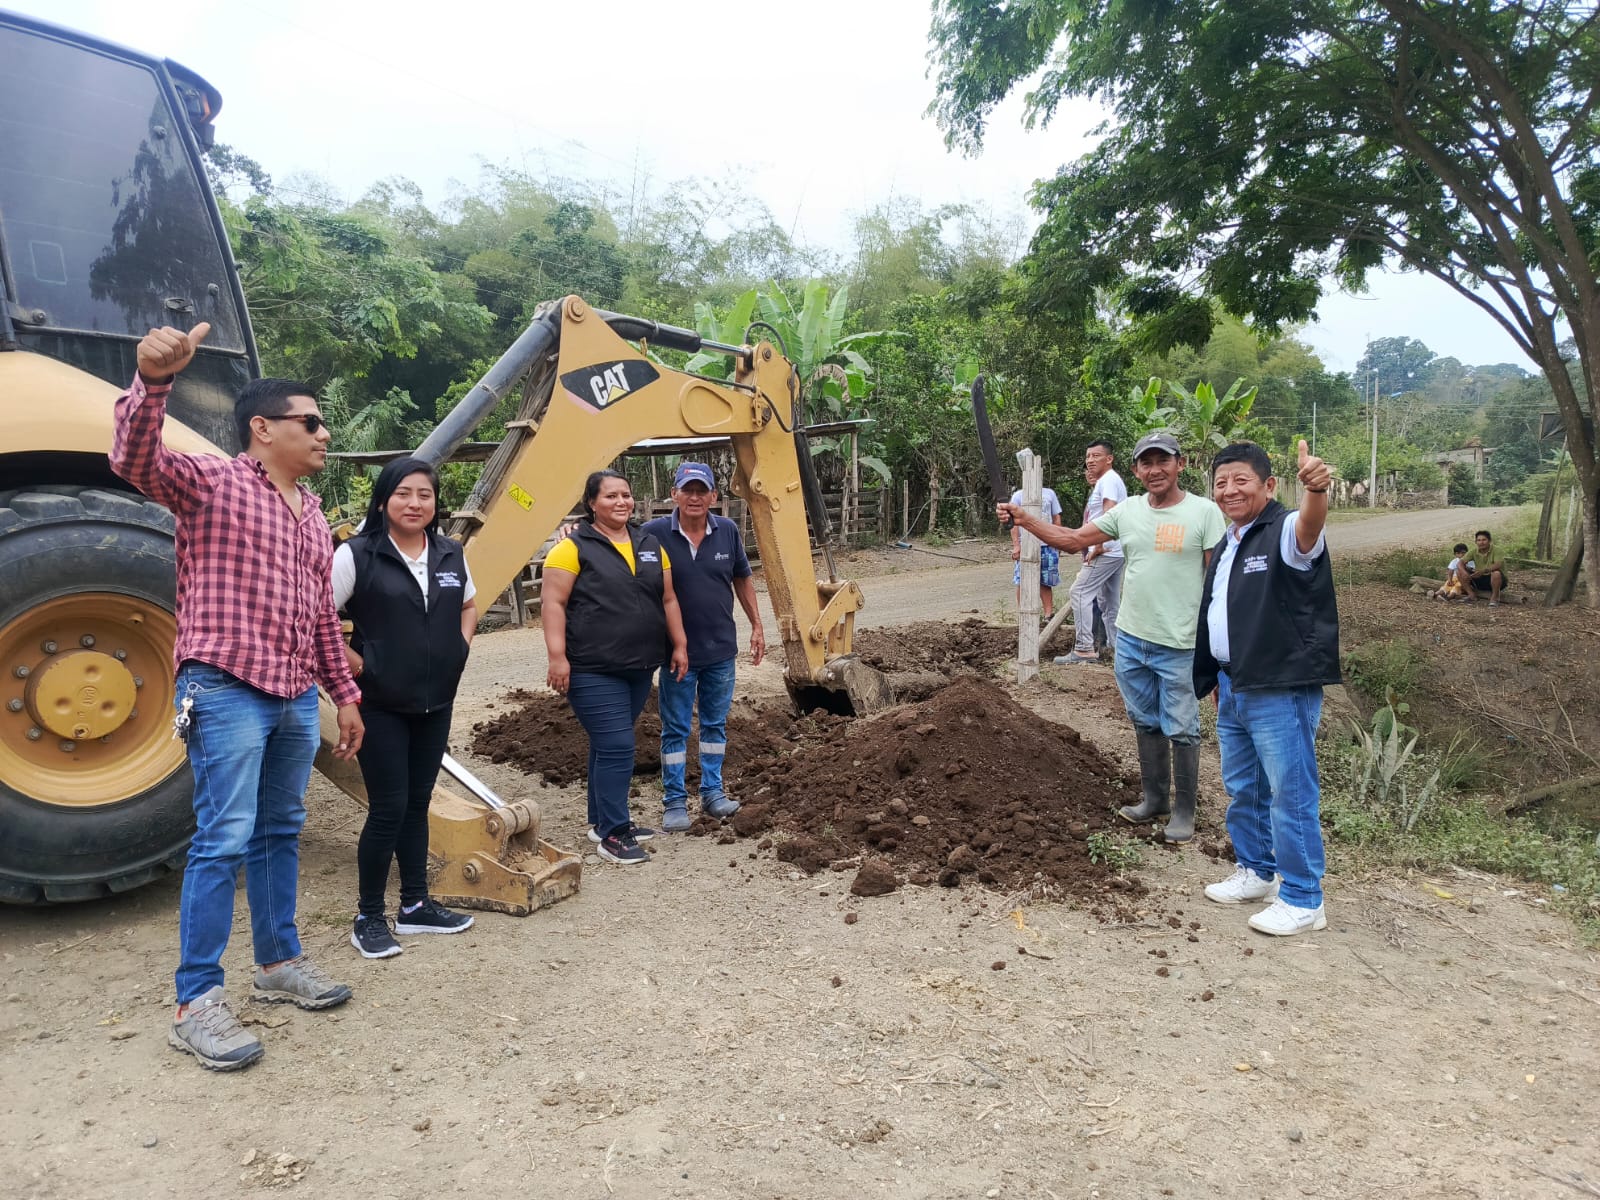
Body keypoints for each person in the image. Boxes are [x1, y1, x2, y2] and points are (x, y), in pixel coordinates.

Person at [111, 323, 363, 1072]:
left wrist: (344, 694)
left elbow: (322, 616)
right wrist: (153, 382)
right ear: (263, 428)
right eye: (310, 422)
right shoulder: (212, 482)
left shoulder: (312, 515)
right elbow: (134, 460)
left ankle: (278, 963)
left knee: (280, 830)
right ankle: (196, 1002)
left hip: (293, 696)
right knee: (223, 837)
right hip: (224, 685)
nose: (323, 433)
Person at [1000, 430, 1225, 843]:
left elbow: (1217, 584)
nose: (1155, 470)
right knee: (1145, 720)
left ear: (1180, 464)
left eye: (1163, 461)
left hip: (1180, 643)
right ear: (1136, 470)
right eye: (1147, 463)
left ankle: (1184, 812)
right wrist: (1025, 519)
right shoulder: (1128, 512)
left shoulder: (1205, 512)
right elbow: (1073, 540)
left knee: (1182, 727)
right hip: (1133, 641)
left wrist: (1218, 650)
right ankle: (1155, 800)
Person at [333, 457, 477, 959]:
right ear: (383, 500)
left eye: (425, 495)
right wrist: (358, 664)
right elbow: (315, 619)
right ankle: (369, 916)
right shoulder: (357, 554)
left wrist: (460, 647)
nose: (414, 503)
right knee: (389, 808)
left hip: (436, 702)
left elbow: (468, 605)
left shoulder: (450, 552)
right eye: (403, 493)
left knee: (418, 803)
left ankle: (415, 905)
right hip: (381, 705)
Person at [1194, 441, 1339, 936]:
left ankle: (1303, 898)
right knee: (1244, 787)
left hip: (1278, 685)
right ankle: (1256, 871)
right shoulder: (1231, 540)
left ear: (1270, 485)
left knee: (1289, 791)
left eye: (1242, 480)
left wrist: (1315, 490)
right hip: (1234, 682)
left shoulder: (1284, 530)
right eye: (1221, 483)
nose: (1229, 490)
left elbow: (1310, 527)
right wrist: (1219, 673)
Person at [542, 470, 689, 864]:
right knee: (618, 746)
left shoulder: (649, 544)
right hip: (591, 668)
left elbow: (668, 598)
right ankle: (614, 834)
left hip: (639, 666)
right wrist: (557, 657)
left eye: (625, 494)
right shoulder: (571, 548)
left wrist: (679, 644)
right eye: (610, 496)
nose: (621, 502)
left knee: (607, 744)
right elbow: (553, 604)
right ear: (592, 503)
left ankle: (600, 821)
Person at [640, 463, 766, 832]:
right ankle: (674, 800)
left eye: (701, 491)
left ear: (714, 496)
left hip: (721, 650)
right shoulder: (653, 534)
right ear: (674, 494)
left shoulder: (727, 531)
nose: (694, 497)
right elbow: (617, 549)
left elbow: (742, 578)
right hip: (677, 653)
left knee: (714, 725)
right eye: (687, 490)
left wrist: (757, 625)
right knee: (675, 728)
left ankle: (712, 792)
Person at [1056, 439, 1127, 665]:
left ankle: (1084, 648)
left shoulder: (1109, 480)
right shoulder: (1107, 480)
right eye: (1088, 456)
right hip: (1115, 550)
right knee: (1109, 602)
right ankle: (1118, 650)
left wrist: (1098, 544)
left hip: (1105, 550)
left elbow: (1109, 512)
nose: (1090, 460)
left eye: (1096, 456)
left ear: (1109, 459)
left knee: (1079, 592)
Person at [1010, 481, 1063, 619]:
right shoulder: (1018, 495)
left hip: (1047, 544)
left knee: (1046, 581)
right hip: (1026, 544)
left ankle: (1048, 615)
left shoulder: (1049, 493)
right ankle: (1023, 615)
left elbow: (1056, 518)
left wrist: (1057, 541)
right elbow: (1013, 523)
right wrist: (1016, 545)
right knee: (1022, 580)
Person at [1463, 529, 1507, 605]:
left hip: (1496, 580)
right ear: (1476, 542)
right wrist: (1464, 572)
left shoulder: (1497, 550)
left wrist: (1482, 571)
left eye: (1484, 540)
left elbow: (1498, 564)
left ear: (1489, 541)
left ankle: (1495, 598)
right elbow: (1460, 563)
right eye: (1479, 540)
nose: (1481, 542)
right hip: (1480, 578)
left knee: (1496, 573)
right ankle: (1471, 595)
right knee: (1459, 571)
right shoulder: (1473, 551)